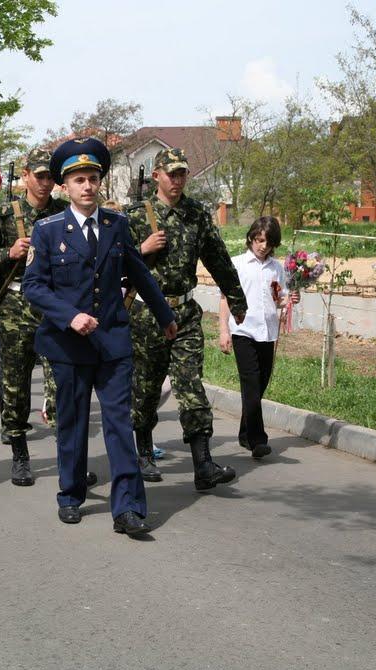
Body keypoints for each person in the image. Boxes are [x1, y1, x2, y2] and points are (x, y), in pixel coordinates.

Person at [22, 137, 177, 537]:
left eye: (92, 178)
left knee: (118, 424)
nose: (87, 186)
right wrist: (70, 316)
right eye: (78, 180)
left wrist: (165, 316)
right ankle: (70, 493)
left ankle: (127, 507)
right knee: (71, 423)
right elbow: (34, 287)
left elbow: (140, 273)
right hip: (68, 345)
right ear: (65, 187)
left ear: (100, 182)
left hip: (112, 341)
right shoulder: (47, 230)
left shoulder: (117, 225)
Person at [125, 148, 247, 491]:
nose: (177, 180)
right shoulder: (135, 216)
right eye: (171, 173)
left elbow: (219, 259)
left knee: (190, 383)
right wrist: (142, 249)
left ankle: (203, 463)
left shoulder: (196, 215)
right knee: (146, 388)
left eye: (182, 174)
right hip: (146, 313)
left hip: (186, 313)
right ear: (157, 176)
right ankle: (144, 451)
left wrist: (237, 299)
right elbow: (112, 262)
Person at [0, 147, 69, 485]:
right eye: (39, 176)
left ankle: (68, 453)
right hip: (16, 307)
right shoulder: (4, 215)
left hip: (56, 308)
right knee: (15, 383)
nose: (45, 183)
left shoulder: (64, 213)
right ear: (25, 175)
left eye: (50, 177)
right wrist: (7, 254)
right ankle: (20, 452)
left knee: (64, 381)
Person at [218, 216, 297, 458]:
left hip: (268, 332)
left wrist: (289, 300)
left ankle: (245, 433)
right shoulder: (237, 264)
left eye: (268, 242)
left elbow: (278, 298)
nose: (262, 246)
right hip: (243, 331)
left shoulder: (277, 268)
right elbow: (225, 299)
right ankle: (258, 440)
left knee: (260, 384)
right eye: (259, 240)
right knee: (251, 384)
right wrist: (224, 330)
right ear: (251, 238)